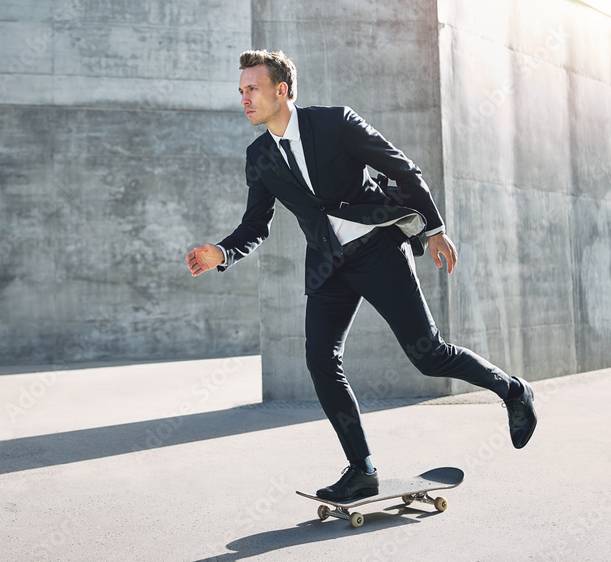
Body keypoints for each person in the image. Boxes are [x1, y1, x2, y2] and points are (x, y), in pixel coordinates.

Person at [186, 49, 537, 501]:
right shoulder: (259, 156)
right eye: (240, 91)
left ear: (282, 90)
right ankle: (362, 469)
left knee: (429, 356)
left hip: (378, 253)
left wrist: (433, 230)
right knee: (320, 360)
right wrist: (223, 251)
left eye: (252, 89)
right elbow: (256, 224)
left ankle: (512, 390)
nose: (244, 99)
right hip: (329, 266)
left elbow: (401, 168)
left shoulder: (335, 123)